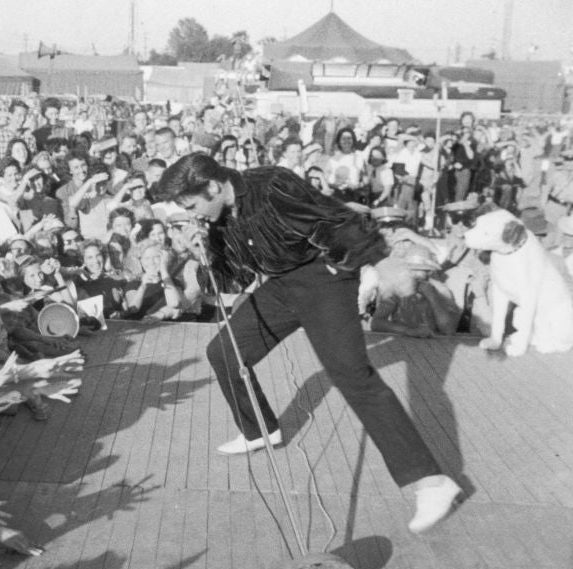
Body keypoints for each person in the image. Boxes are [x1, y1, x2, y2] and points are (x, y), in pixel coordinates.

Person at [158, 154, 462, 533]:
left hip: (324, 279)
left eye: (192, 205)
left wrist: (383, 263)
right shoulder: (217, 218)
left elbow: (339, 219)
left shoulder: (272, 186)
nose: (194, 214)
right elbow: (231, 280)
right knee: (224, 351)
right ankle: (260, 430)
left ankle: (432, 482)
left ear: (213, 187)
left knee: (352, 374)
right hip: (281, 286)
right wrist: (202, 253)